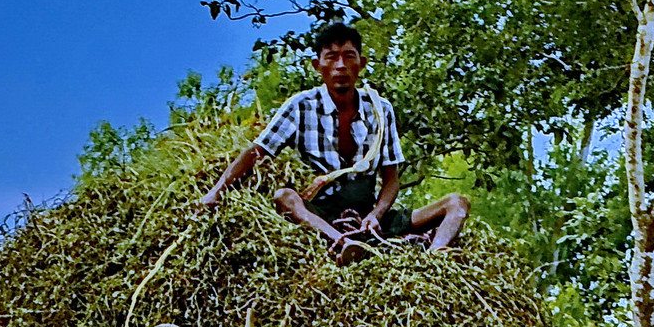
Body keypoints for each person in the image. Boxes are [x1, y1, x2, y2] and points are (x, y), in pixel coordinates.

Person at [198, 22, 470, 262]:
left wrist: (376, 214)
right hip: (321, 213)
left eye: (348, 57)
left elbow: (391, 179)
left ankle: (436, 256)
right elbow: (258, 151)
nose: (340, 66)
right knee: (284, 197)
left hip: (369, 217)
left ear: (361, 64)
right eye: (332, 58)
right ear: (318, 66)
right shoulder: (301, 106)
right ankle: (342, 243)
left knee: (457, 203)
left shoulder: (380, 109)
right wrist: (215, 192)